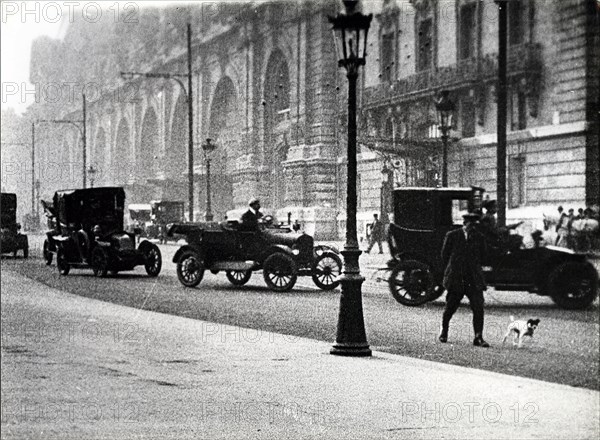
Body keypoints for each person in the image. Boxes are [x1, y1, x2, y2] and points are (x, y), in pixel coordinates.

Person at [439, 211, 490, 348]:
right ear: (464, 223)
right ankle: (444, 331)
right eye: (470, 224)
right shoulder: (452, 236)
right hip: (457, 278)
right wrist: (452, 269)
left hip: (473, 280)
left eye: (474, 225)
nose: (472, 227)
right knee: (450, 307)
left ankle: (478, 337)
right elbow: (444, 256)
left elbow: (485, 256)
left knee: (478, 307)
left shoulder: (479, 237)